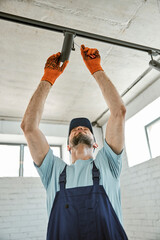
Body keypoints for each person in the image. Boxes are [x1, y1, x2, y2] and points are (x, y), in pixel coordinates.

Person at [21, 44, 128, 240]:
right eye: (74, 130)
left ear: (96, 144)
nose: (79, 128)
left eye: (86, 128)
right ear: (68, 145)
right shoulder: (53, 170)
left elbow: (118, 112)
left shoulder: (108, 163)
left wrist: (96, 69)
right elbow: (29, 127)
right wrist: (48, 78)